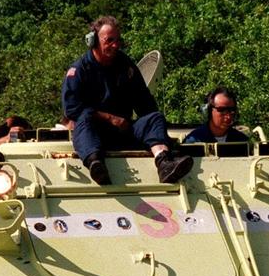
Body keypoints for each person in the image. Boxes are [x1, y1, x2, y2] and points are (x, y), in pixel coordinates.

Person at [61, 15, 192, 185]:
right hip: (93, 134)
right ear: (93, 40)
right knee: (84, 117)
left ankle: (164, 162)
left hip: (123, 130)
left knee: (155, 117)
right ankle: (96, 164)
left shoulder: (126, 66)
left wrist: (159, 133)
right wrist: (109, 118)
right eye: (109, 40)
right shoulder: (79, 69)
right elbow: (71, 109)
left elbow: (144, 103)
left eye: (117, 40)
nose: (115, 45)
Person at [182, 87, 249, 144]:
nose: (228, 116)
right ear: (209, 110)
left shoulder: (242, 141)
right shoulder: (194, 141)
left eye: (231, 110)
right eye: (222, 110)